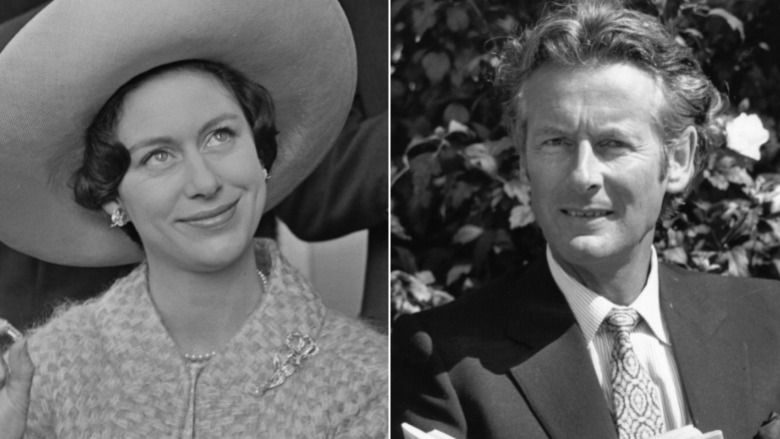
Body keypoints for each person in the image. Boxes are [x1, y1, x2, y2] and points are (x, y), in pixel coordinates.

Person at [391, 1, 780, 438]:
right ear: (523, 160)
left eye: (612, 143)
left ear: (679, 159)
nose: (582, 176)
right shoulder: (442, 362)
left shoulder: (770, 323)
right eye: (555, 141)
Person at [0, 0, 386, 437]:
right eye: (158, 156)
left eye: (220, 135)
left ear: (261, 154)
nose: (204, 182)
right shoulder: (45, 373)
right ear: (112, 200)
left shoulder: (366, 382)